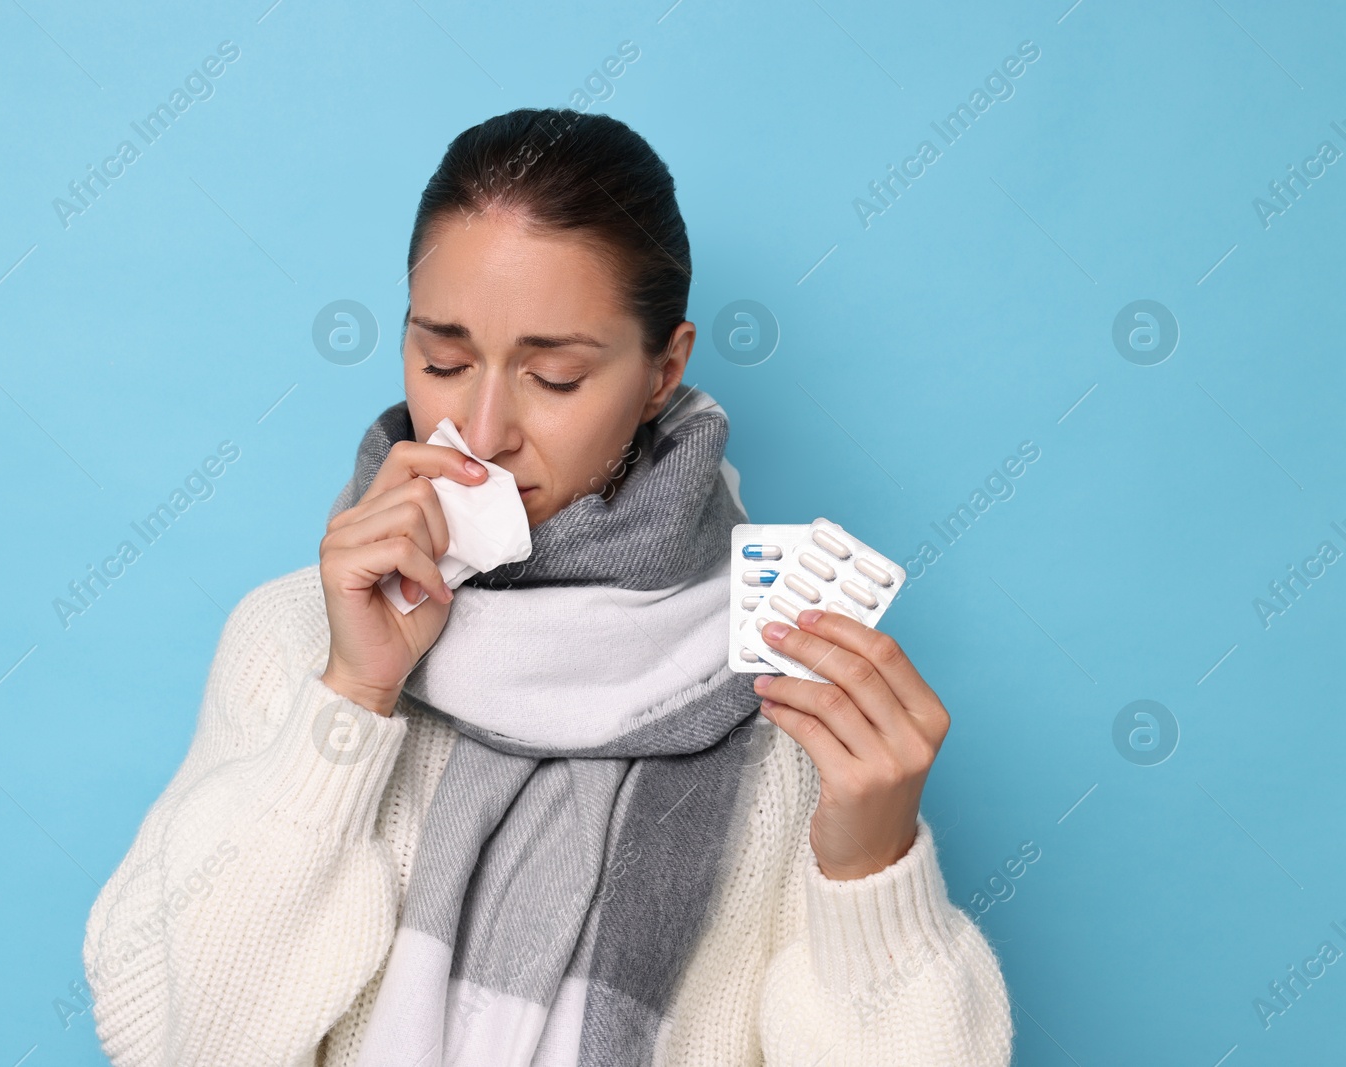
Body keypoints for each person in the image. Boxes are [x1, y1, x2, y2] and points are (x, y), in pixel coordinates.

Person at [82, 107, 1012, 1067]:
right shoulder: (295, 640)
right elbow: (175, 1041)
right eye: (442, 360)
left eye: (556, 376)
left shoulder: (793, 699)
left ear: (664, 372)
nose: (482, 431)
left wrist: (871, 872)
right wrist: (353, 702)